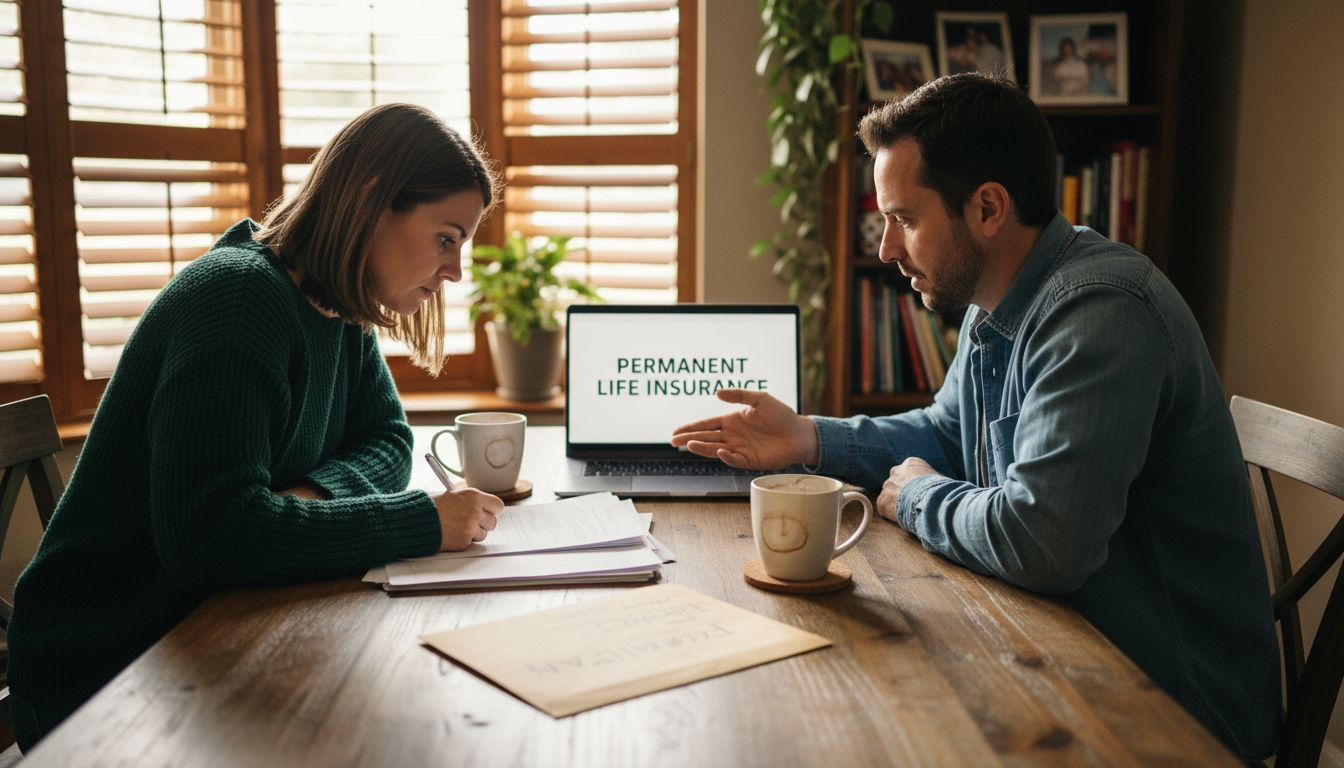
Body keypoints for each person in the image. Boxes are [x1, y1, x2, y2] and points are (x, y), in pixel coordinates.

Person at [671, 73, 1279, 760]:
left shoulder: (1101, 315)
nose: (886, 249)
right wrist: (810, 437)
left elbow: (1042, 544)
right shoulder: (1003, 303)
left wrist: (918, 496)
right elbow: (944, 433)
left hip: (1178, 715)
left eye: (903, 218)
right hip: (1064, 648)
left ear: (988, 207)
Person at [5, 103, 505, 751]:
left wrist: (306, 501)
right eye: (446, 237)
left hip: (207, 627)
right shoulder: (239, 301)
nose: (455, 270)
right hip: (107, 666)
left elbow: (388, 441)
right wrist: (422, 522)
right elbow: (211, 539)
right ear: (373, 199)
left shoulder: (338, 308)